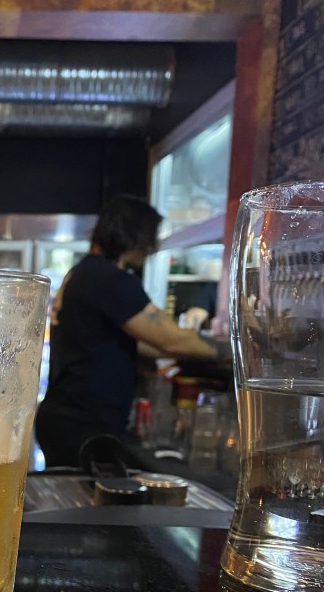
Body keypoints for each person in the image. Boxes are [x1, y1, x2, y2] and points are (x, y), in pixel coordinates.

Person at [35, 194, 227, 469]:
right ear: (134, 235)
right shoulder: (110, 279)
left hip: (67, 418)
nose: (152, 247)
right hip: (84, 425)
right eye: (150, 237)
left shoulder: (84, 272)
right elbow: (173, 340)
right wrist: (233, 351)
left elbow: (126, 341)